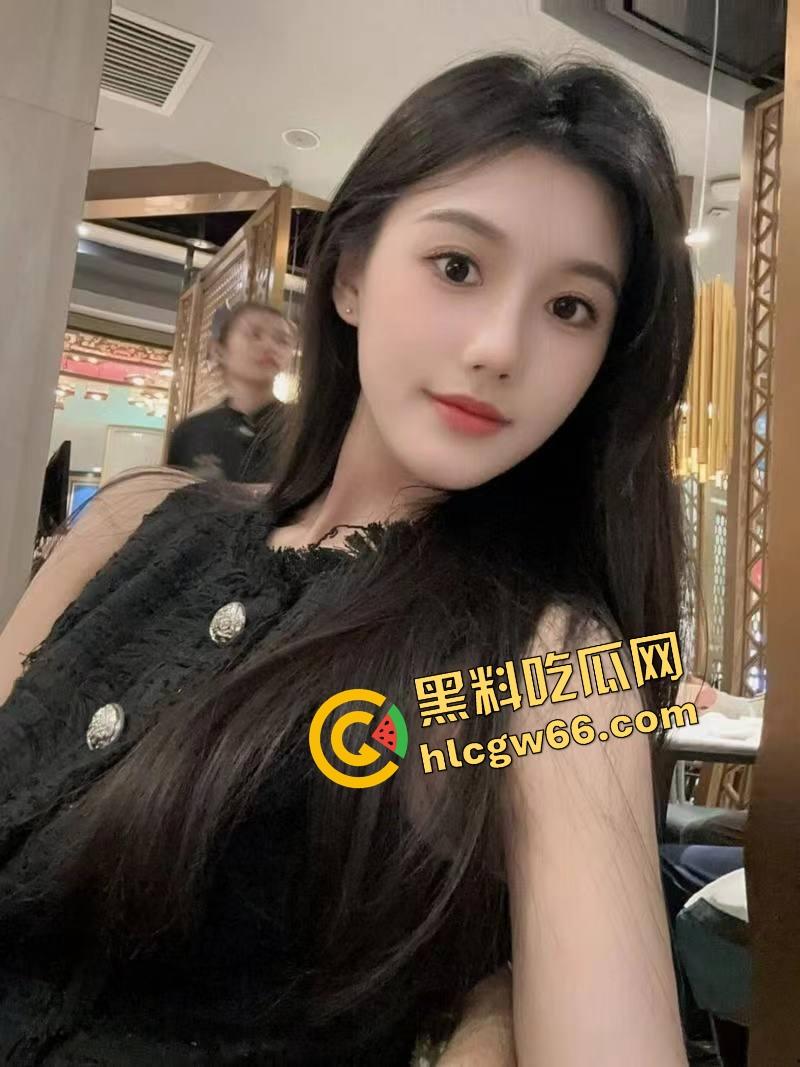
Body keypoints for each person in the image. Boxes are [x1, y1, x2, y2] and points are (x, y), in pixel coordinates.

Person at [0, 54, 694, 1065]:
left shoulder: (554, 665)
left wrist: (496, 1005)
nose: (500, 347)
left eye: (569, 308)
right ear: (353, 272)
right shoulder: (131, 520)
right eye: (457, 266)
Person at [167, 301, 294, 482]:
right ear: (219, 351)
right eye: (254, 334)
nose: (269, 345)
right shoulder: (192, 432)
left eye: (282, 340)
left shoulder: (305, 428)